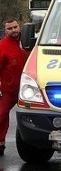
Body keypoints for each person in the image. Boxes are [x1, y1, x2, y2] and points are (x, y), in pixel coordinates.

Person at [0, 18, 29, 155]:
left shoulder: (29, 43)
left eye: (15, 27)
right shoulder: (2, 46)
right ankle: (0, 143)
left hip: (31, 90)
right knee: (1, 114)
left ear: (20, 27)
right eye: (10, 28)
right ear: (5, 31)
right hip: (10, 91)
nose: (13, 30)